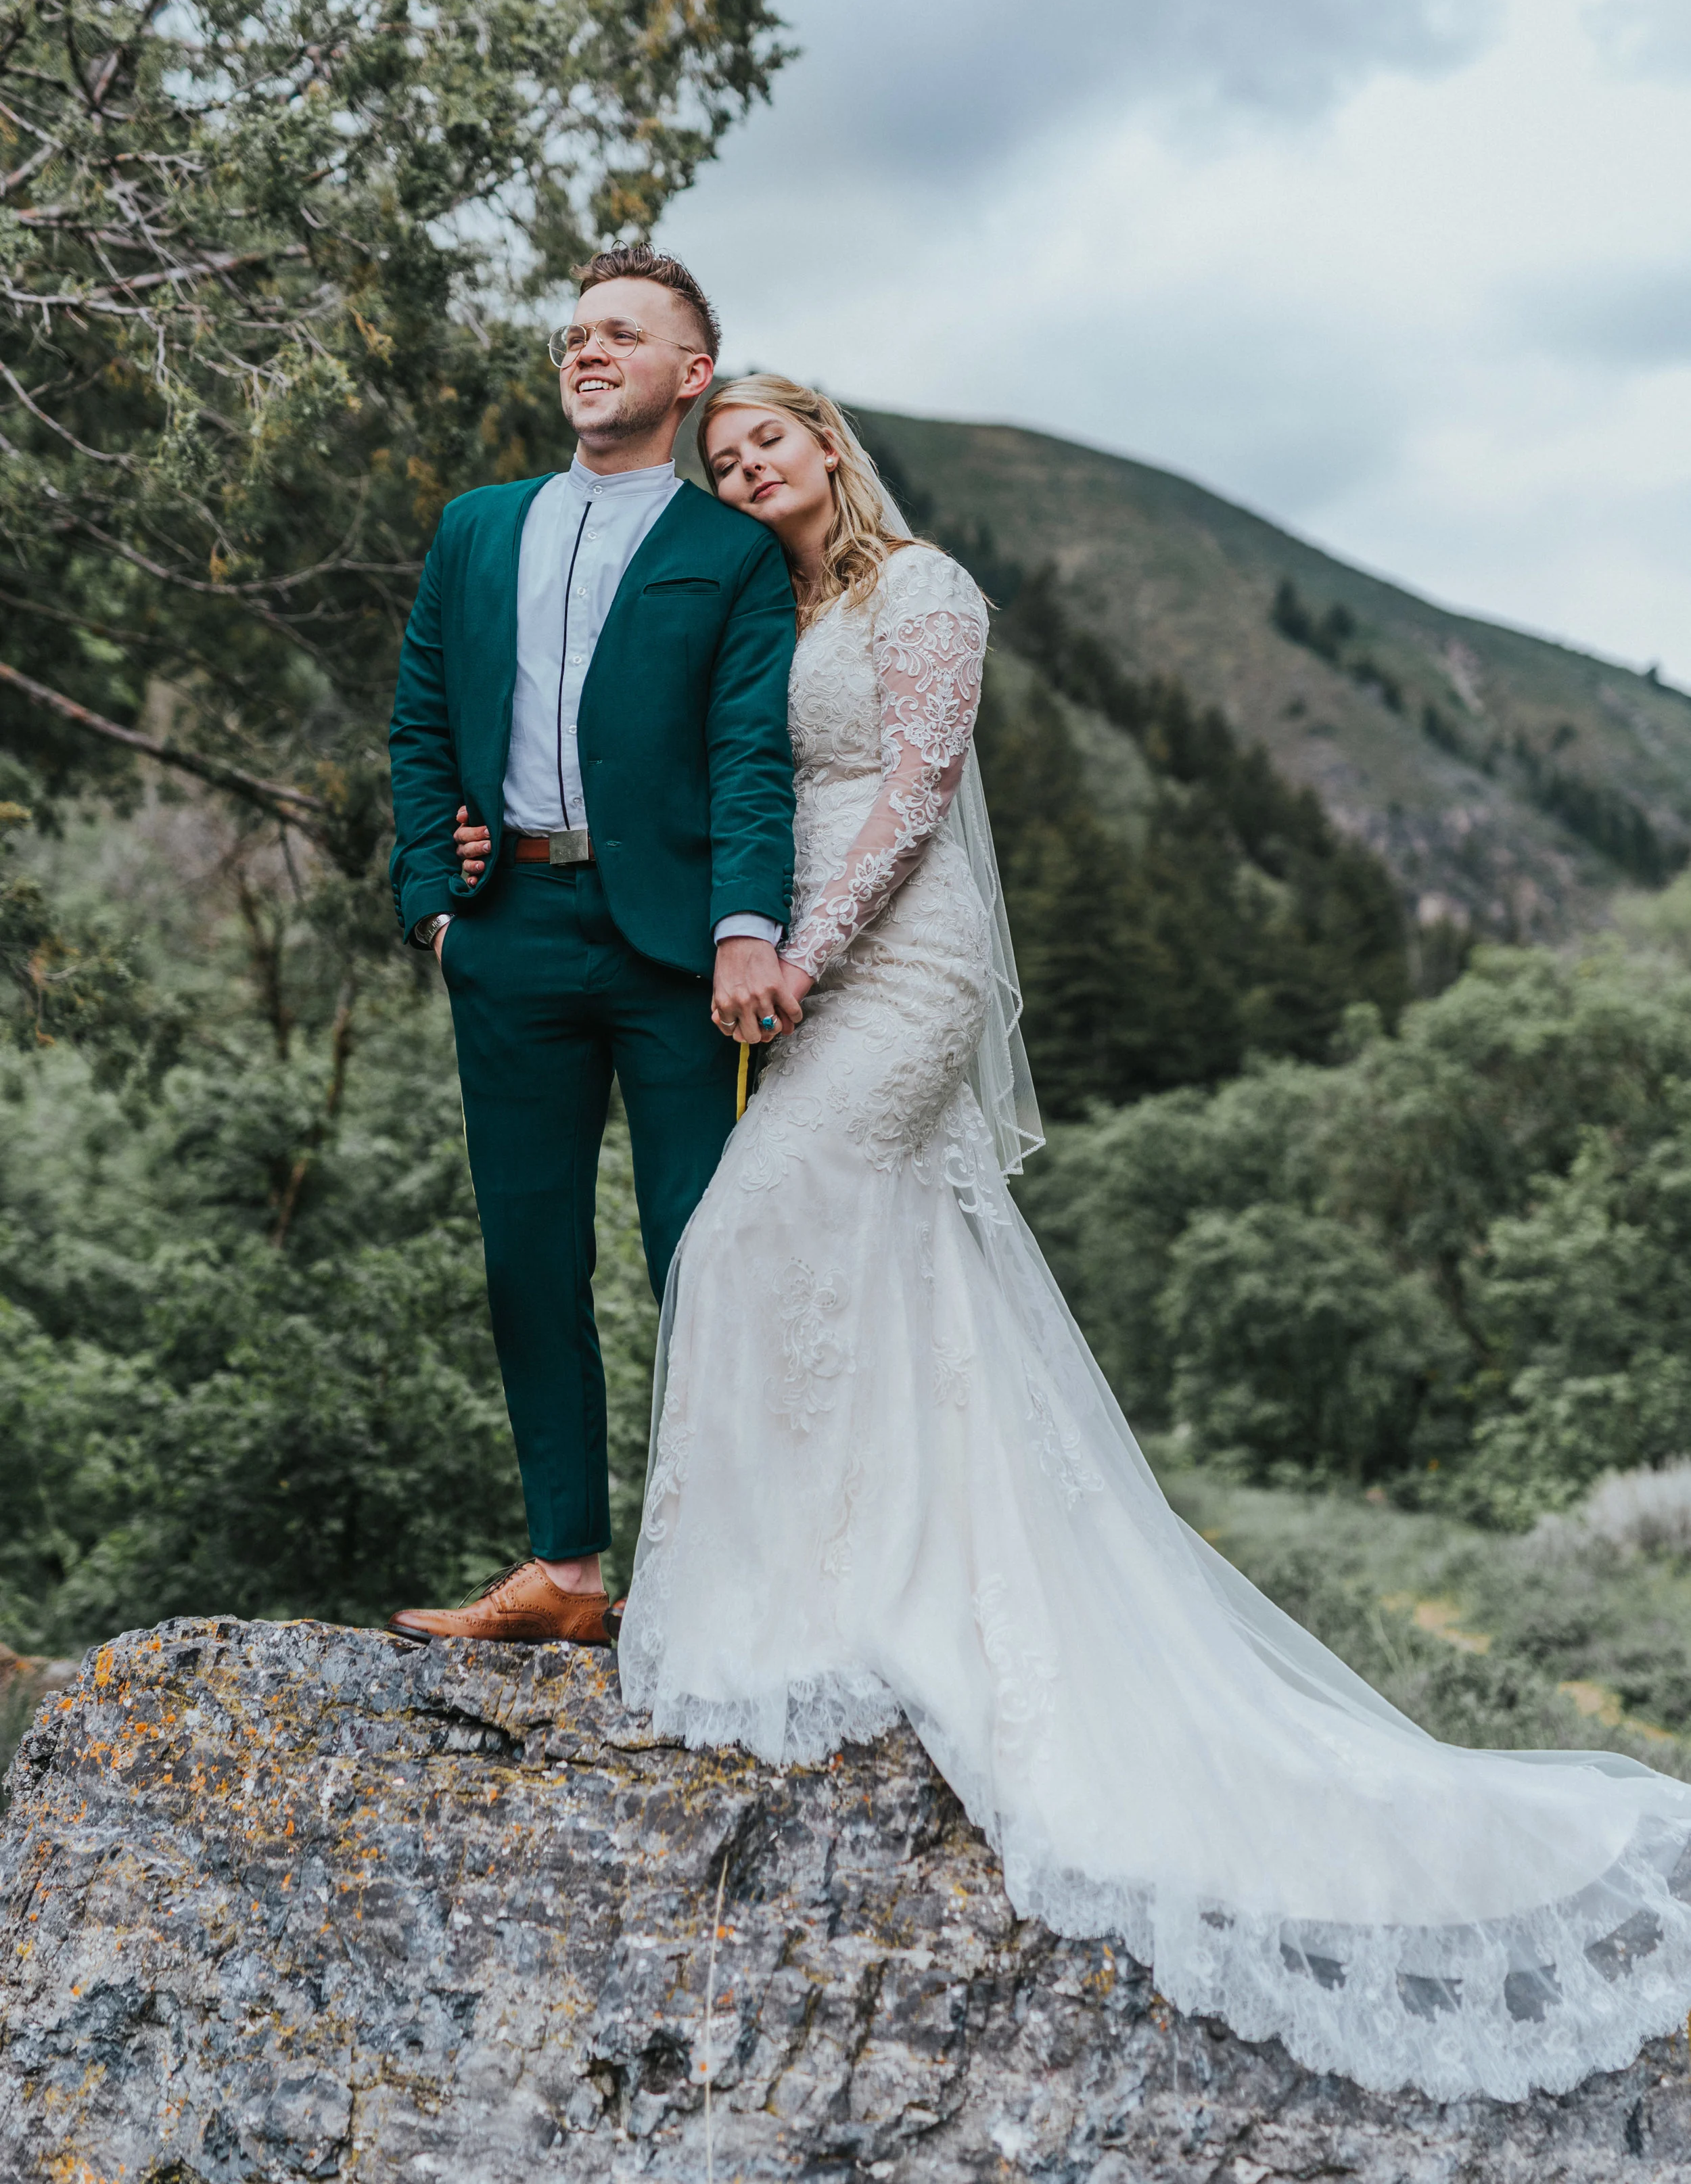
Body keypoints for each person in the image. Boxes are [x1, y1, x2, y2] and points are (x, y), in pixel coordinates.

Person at [458, 370, 1691, 2103]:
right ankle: (849, 1576)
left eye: (766, 444)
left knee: (746, 1238)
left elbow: (912, 783)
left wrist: (803, 941)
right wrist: (489, 830)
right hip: (791, 963)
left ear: (827, 447)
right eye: (723, 457)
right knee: (854, 1263)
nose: (743, 468)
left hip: (893, 955)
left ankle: (832, 1590)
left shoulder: (924, 586)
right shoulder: (762, 599)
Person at [384, 246, 799, 1651]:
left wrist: (746, 927)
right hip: (509, 937)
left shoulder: (730, 554)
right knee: (526, 1259)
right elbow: (420, 721)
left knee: (699, 1259)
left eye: (621, 334)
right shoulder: (475, 527)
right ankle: (562, 1572)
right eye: (573, 333)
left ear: (690, 374)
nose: (585, 350)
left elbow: (751, 752)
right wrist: (436, 902)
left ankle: (710, 1580)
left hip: (677, 954)